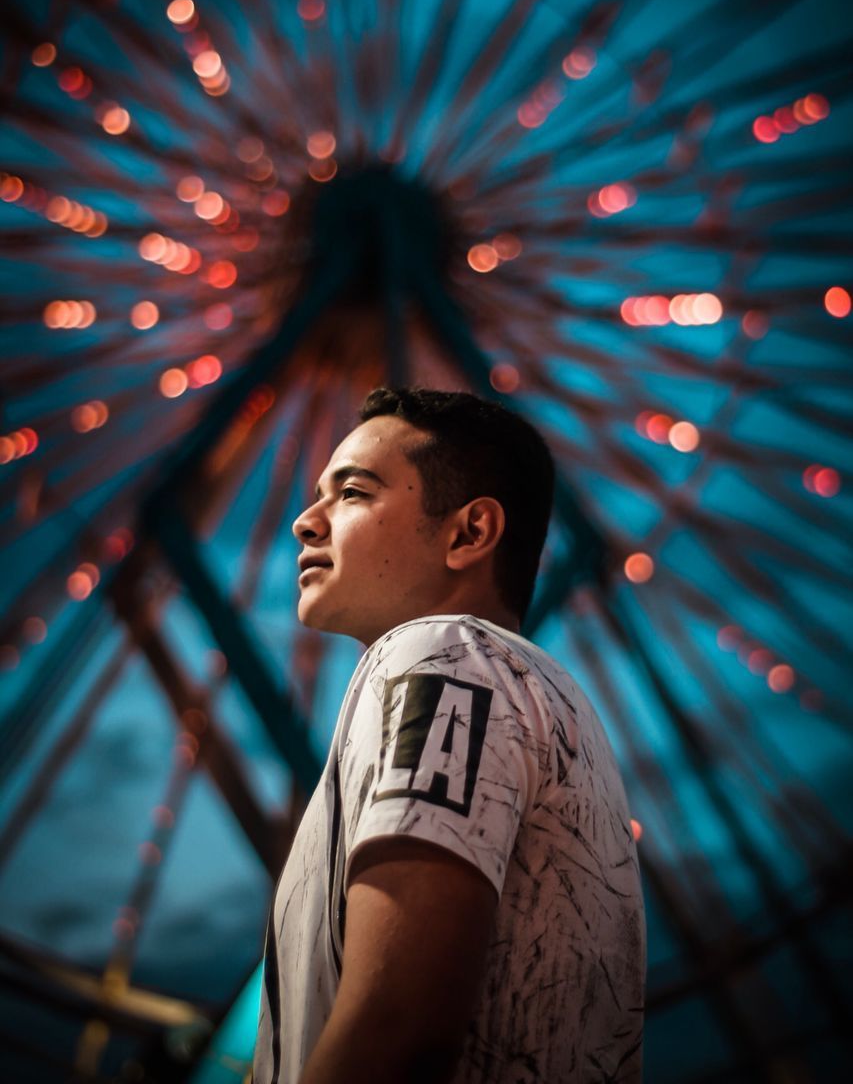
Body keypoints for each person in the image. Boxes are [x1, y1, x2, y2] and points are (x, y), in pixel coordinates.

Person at [252, 387, 645, 1084]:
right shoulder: (532, 692)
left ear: (468, 534)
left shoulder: (441, 656)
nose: (305, 523)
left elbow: (398, 1021)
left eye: (351, 494)